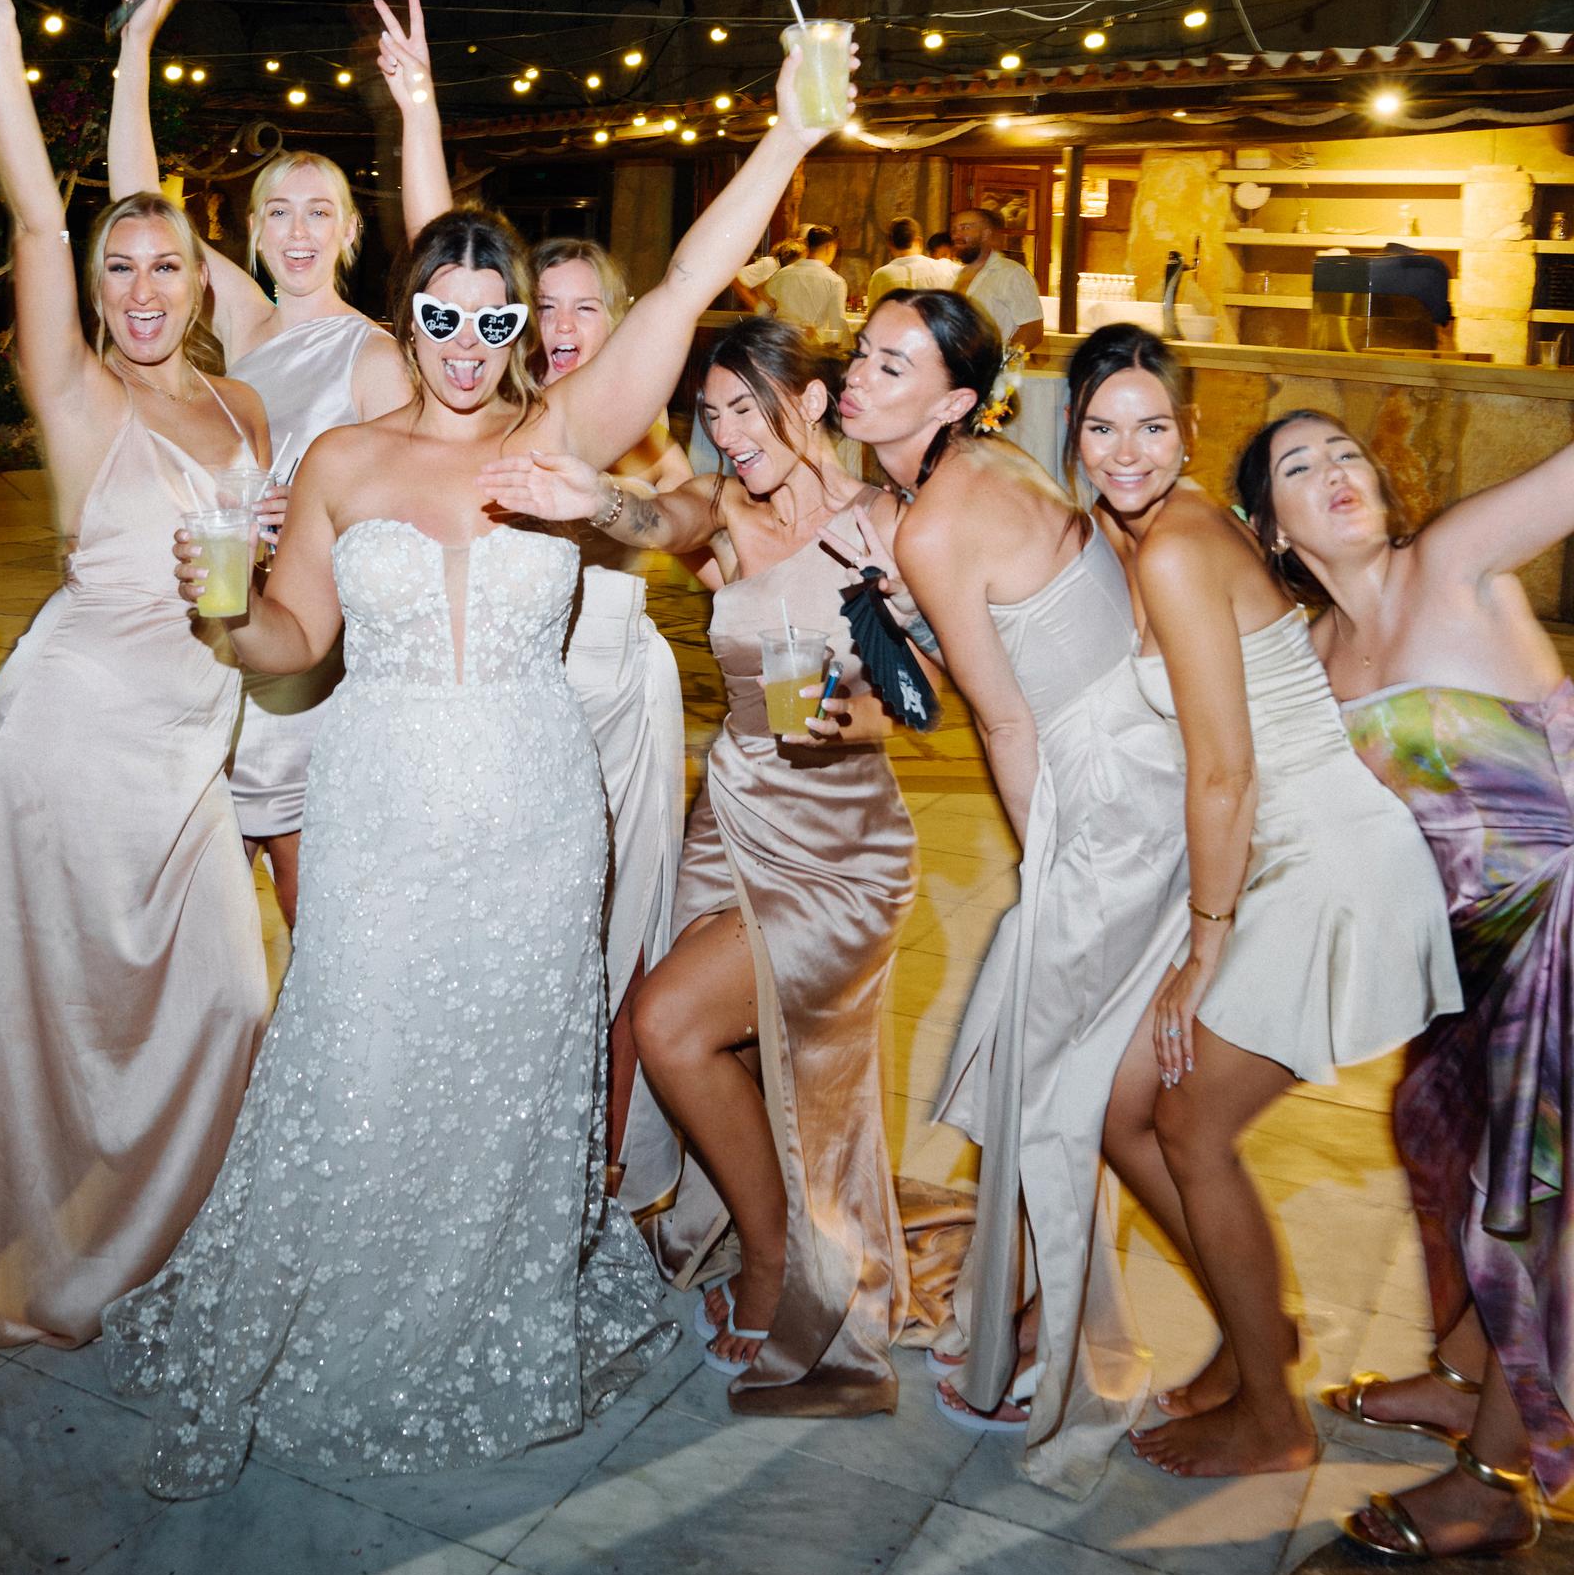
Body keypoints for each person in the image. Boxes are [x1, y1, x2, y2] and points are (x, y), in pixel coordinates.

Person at [104, 32, 842, 1492]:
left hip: (532, 809)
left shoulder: (566, 432)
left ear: (516, 329)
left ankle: (486, 1304)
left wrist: (787, 134)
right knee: (362, 1052)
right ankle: (346, 1300)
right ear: (410, 316)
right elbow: (292, 642)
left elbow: (681, 289)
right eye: (438, 315)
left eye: (490, 318)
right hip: (377, 804)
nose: (461, 341)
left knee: (511, 1072)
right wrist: (223, 612)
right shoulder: (344, 462)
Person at [0, 0, 273, 1355]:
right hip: (71, 737)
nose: (138, 287)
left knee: (228, 1000)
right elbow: (27, 211)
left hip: (192, 752)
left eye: (162, 263)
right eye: (115, 266)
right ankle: (45, 1258)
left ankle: (173, 1243)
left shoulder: (243, 406)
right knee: (61, 1017)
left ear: (199, 280)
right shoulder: (75, 394)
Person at [484, 312, 917, 1417]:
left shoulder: (885, 526)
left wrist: (862, 716)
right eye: (712, 414)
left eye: (747, 408)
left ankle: (784, 1265)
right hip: (732, 822)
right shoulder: (722, 509)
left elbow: (925, 688)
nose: (729, 433)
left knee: (671, 1024)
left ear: (810, 403)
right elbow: (656, 512)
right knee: (717, 1041)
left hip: (840, 842)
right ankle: (770, 1225)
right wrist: (597, 499)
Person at [1065, 328, 1460, 1479]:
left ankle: (1270, 1415)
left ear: (1188, 435)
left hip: (1323, 859)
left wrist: (1201, 946)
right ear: (1071, 434)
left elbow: (1223, 771)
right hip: (1283, 850)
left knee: (1188, 1125)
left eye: (1150, 427)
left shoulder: (1177, 546)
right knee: (1119, 1107)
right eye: (1100, 428)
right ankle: (1255, 1338)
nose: (1125, 451)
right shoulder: (1149, 536)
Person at [833, 295, 1193, 1493]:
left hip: (1104, 802)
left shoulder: (937, 515)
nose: (857, 374)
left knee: (1054, 1084)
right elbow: (999, 654)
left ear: (950, 399)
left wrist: (1048, 870)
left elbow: (1001, 720)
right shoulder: (980, 470)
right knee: (1053, 1072)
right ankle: (1036, 1309)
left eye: (892, 365)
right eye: (860, 353)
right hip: (1131, 764)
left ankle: (1066, 1343)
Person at [1240, 410, 1574, 1560]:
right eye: (1298, 466)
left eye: (1344, 452)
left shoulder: (1449, 561)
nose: (1334, 470)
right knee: (1429, 1137)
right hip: (1463, 953)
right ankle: (1465, 1372)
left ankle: (1496, 1480)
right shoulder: (1309, 656)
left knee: (1523, 1196)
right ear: (1269, 529)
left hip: (1559, 921)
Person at [377, 0, 690, 1188]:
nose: (557, 327)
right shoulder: (502, 403)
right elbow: (438, 257)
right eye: (539, 307)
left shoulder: (626, 425)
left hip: (618, 697)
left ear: (614, 319)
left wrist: (612, 502)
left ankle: (600, 1163)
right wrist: (418, 108)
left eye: (578, 308)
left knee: (614, 930)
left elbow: (686, 528)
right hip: (521, 703)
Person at [112, 0, 411, 927]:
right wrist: (134, 48)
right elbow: (136, 208)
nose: (297, 229)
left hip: (311, 654)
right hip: (219, 623)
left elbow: (410, 515)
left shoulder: (373, 356)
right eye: (278, 210)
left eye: (319, 211)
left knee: (306, 894)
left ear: (349, 233)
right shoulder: (244, 321)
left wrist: (320, 518)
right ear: (250, 230)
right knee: (202, 901)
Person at [952, 205, 1044, 360]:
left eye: (965, 228)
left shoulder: (1011, 273)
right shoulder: (956, 275)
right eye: (954, 229)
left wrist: (1000, 363)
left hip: (992, 371)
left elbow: (1032, 331)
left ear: (985, 234)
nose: (956, 235)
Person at [760, 225, 851, 346]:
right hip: (811, 348)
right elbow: (838, 326)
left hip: (782, 345)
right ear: (829, 247)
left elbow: (761, 311)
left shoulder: (781, 274)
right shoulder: (835, 282)